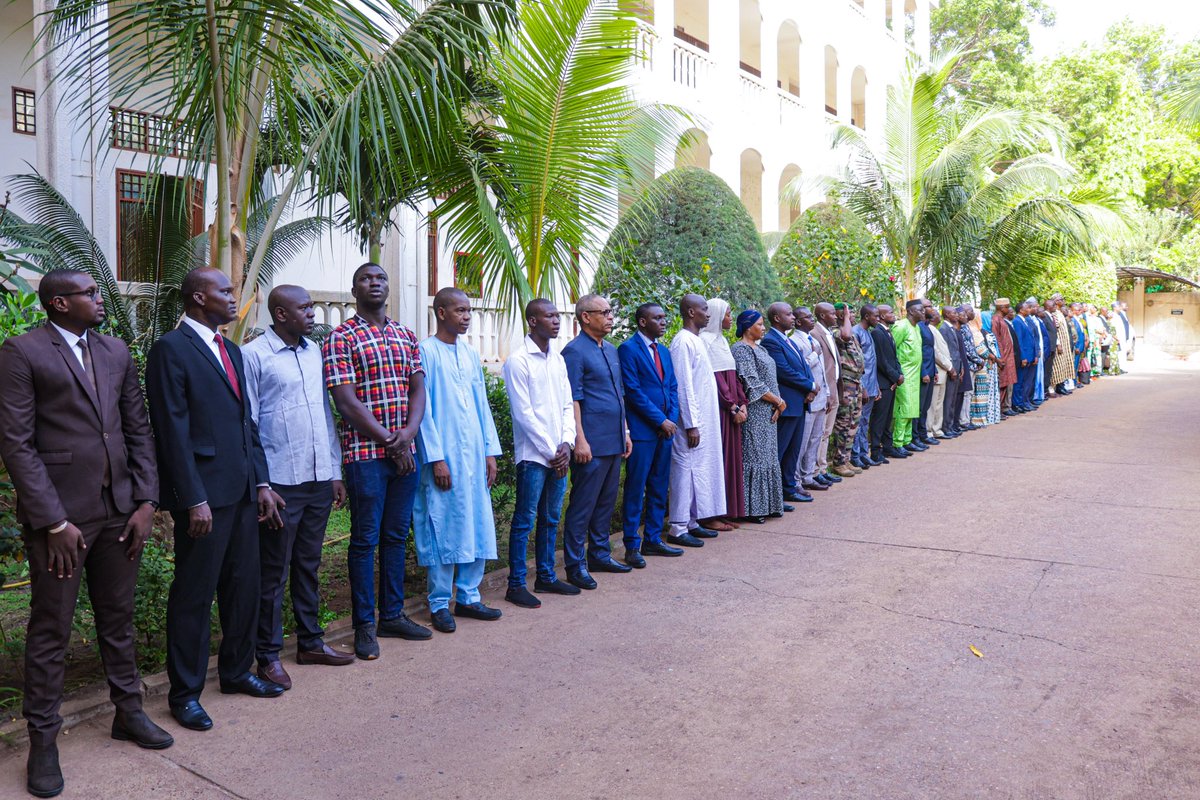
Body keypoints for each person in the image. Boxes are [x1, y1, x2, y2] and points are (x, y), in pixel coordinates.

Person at [0, 269, 172, 797]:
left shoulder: (116, 350)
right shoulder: (22, 352)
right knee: (51, 630)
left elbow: (136, 427)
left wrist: (146, 501)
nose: (101, 299)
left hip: (120, 511)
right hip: (61, 521)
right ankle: (44, 743)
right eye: (90, 293)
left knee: (117, 621)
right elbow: (16, 442)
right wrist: (52, 521)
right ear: (58, 302)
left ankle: (128, 712)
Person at [145, 267, 285, 734]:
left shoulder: (233, 352)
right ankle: (184, 695)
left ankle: (237, 671)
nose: (233, 297)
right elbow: (172, 431)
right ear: (197, 297)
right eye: (225, 290)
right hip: (205, 500)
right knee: (194, 596)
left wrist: (262, 484)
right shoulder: (171, 349)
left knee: (243, 587)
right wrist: (192, 499)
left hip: (244, 493)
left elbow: (249, 425)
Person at [242, 285, 353, 691]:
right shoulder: (254, 356)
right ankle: (268, 655)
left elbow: (325, 415)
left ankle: (311, 642)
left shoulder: (314, 352)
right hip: (280, 484)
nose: (312, 313)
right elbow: (249, 424)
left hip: (318, 479)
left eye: (311, 306)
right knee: (273, 572)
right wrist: (262, 483)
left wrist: (334, 470)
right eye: (303, 308)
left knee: (309, 565)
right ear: (280, 314)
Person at [325, 263, 431, 660]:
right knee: (364, 540)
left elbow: (418, 389)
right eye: (366, 279)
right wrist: (391, 440)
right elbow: (345, 400)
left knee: (394, 537)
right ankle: (364, 626)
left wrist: (406, 437)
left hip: (404, 454)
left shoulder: (405, 334)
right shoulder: (341, 337)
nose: (375, 284)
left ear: (388, 287)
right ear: (354, 289)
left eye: (381, 278)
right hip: (365, 456)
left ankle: (393, 614)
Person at [413, 288, 503, 633]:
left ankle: (468, 596)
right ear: (440, 312)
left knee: (477, 524)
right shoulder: (425, 352)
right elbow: (423, 411)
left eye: (468, 311)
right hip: (446, 457)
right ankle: (438, 602)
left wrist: (490, 451)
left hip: (474, 457)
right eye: (459, 310)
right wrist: (436, 458)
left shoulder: (468, 353)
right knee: (442, 526)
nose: (466, 317)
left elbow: (482, 406)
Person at [502, 299, 581, 607]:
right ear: (532, 321)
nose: (556, 320)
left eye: (557, 315)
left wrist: (567, 443)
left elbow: (566, 404)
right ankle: (516, 583)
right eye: (549, 316)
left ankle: (546, 577)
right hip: (533, 457)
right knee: (525, 519)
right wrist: (552, 451)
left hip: (558, 452)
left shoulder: (556, 360)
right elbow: (523, 414)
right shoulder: (518, 361)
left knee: (550, 517)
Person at [561, 294, 633, 590]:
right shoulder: (574, 352)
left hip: (614, 438)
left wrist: (626, 432)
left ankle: (600, 554)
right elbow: (573, 398)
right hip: (590, 441)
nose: (610, 317)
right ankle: (575, 564)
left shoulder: (611, 349)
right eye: (603, 312)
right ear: (585, 317)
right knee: (583, 504)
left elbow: (619, 394)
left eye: (610, 312)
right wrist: (579, 439)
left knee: (605, 502)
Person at [617, 303, 688, 565]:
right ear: (642, 322)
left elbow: (672, 386)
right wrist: (659, 420)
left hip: (665, 431)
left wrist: (671, 418)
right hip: (643, 432)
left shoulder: (665, 351)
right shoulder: (628, 349)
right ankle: (632, 546)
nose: (663, 321)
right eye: (657, 318)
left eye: (664, 317)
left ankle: (653, 540)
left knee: (659, 486)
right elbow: (633, 391)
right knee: (636, 488)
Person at [668, 294, 728, 541]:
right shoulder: (682, 342)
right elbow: (683, 386)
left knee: (698, 470)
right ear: (691, 313)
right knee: (685, 472)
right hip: (690, 423)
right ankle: (678, 527)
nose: (709, 314)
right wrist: (691, 424)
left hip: (704, 419)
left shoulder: (697, 340)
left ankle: (692, 521)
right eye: (704, 309)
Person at [731, 311, 786, 523]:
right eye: (760, 324)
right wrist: (777, 401)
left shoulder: (761, 348)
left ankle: (770, 504)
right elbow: (752, 383)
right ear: (747, 327)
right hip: (756, 411)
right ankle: (753, 508)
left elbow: (771, 378)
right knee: (755, 456)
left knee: (769, 456)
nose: (764, 328)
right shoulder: (741, 349)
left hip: (771, 411)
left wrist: (779, 403)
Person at [760, 302, 814, 505]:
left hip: (799, 402)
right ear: (776, 318)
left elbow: (802, 366)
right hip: (786, 403)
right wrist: (810, 384)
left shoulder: (788, 340)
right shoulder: (771, 341)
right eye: (789, 314)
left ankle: (789, 488)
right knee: (781, 450)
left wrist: (810, 387)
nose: (793, 317)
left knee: (793, 450)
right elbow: (783, 371)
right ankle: (777, 495)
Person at [700, 298, 748, 524]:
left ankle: (727, 511)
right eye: (728, 314)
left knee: (731, 460)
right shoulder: (705, 341)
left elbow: (732, 375)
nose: (730, 318)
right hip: (720, 411)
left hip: (733, 410)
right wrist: (732, 405)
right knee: (719, 461)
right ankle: (712, 515)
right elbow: (716, 381)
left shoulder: (721, 341)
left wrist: (742, 401)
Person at [791, 306, 831, 491]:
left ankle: (808, 476)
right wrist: (815, 354)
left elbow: (822, 371)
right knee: (803, 441)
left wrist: (828, 393)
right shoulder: (794, 341)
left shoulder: (813, 339)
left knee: (816, 438)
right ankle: (796, 479)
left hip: (821, 397)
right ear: (798, 322)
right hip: (808, 399)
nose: (812, 319)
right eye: (807, 317)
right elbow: (801, 367)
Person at [829, 304, 866, 477]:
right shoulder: (837, 332)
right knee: (843, 424)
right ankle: (837, 462)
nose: (852, 315)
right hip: (846, 385)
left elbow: (858, 361)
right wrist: (844, 317)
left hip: (856, 384)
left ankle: (845, 459)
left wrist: (863, 387)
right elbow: (845, 335)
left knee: (853, 424)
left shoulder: (852, 334)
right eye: (848, 312)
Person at [811, 304, 843, 482]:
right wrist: (826, 392)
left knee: (827, 432)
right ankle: (815, 471)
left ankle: (822, 468)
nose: (835, 316)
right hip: (824, 391)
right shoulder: (815, 333)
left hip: (834, 387)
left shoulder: (829, 332)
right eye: (832, 313)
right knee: (820, 432)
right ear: (822, 315)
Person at [869, 305, 905, 461]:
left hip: (892, 381)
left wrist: (899, 374)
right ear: (882, 316)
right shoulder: (877, 333)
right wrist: (895, 377)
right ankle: (876, 452)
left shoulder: (887, 332)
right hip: (884, 382)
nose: (893, 314)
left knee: (888, 417)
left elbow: (894, 357)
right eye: (890, 312)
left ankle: (888, 447)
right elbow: (882, 361)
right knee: (879, 418)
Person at [890, 299, 923, 455]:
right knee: (903, 410)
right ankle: (897, 443)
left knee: (912, 410)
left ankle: (907, 441)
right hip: (904, 375)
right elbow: (891, 349)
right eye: (920, 310)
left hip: (915, 376)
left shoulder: (916, 328)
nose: (924, 313)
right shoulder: (901, 326)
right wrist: (896, 374)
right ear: (910, 311)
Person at [851, 305, 881, 469]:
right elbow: (856, 364)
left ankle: (863, 453)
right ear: (867, 316)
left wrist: (874, 386)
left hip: (871, 386)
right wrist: (862, 387)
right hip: (861, 387)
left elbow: (871, 363)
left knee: (865, 422)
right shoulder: (855, 332)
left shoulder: (868, 332)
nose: (878, 318)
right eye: (875, 316)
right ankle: (855, 455)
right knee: (858, 421)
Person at [926, 309, 954, 439]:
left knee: (938, 403)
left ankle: (937, 429)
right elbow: (936, 352)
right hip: (939, 369)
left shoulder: (935, 329)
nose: (939, 316)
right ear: (932, 317)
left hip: (943, 371)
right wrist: (949, 366)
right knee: (932, 404)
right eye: (937, 315)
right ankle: (929, 430)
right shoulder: (930, 329)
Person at [937, 307, 963, 437]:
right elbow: (944, 352)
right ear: (947, 314)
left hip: (957, 367)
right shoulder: (943, 329)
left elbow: (956, 350)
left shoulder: (952, 328)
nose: (957, 315)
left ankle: (950, 425)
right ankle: (946, 427)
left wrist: (961, 367)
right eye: (954, 313)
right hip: (950, 369)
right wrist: (951, 368)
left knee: (952, 399)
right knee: (948, 400)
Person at [957, 306, 984, 430]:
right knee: (966, 394)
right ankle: (963, 420)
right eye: (970, 311)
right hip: (968, 364)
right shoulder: (962, 328)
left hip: (972, 365)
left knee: (969, 393)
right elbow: (968, 349)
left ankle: (966, 419)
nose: (972, 313)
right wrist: (979, 360)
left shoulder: (967, 326)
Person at [915, 302, 938, 447]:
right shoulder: (918, 327)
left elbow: (930, 350)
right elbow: (919, 352)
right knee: (919, 407)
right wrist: (923, 371)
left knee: (925, 406)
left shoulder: (927, 326)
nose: (932, 308)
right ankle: (915, 436)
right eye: (929, 306)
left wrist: (934, 370)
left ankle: (923, 434)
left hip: (930, 370)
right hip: (922, 372)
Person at [965, 308, 992, 427]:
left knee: (980, 393)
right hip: (979, 364)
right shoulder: (973, 331)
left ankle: (981, 418)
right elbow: (980, 350)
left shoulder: (977, 330)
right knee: (978, 393)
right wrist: (991, 357)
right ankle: (978, 419)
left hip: (981, 364)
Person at [1010, 301, 1037, 413]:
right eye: (1027, 307)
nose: (1029, 309)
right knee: (1020, 382)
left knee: (1026, 381)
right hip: (1024, 356)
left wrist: (1035, 354)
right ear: (1021, 310)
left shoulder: (1025, 321)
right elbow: (1019, 341)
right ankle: (1018, 404)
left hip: (1030, 355)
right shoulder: (1017, 321)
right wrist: (1023, 357)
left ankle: (1024, 402)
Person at [992, 298, 1017, 415]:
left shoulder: (1002, 319)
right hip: (1003, 357)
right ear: (1002, 308)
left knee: (1008, 382)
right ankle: (1001, 409)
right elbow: (996, 339)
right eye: (1007, 307)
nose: (1009, 309)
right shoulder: (996, 320)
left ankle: (1006, 407)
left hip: (1009, 356)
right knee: (1002, 383)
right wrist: (1000, 357)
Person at [980, 312, 1002, 424]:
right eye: (989, 318)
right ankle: (987, 415)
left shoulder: (990, 331)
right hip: (988, 364)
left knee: (994, 388)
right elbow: (985, 349)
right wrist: (996, 359)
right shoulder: (981, 332)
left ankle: (994, 414)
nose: (991, 320)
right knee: (987, 389)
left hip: (994, 364)